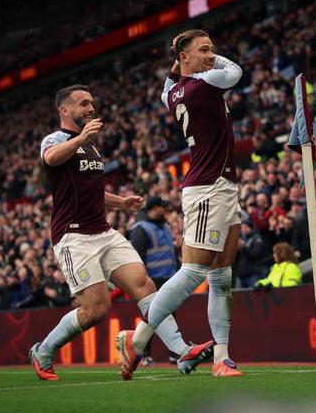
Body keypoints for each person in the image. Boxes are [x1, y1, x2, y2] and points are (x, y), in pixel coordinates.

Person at [30, 85, 212, 381]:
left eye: (92, 103)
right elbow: (50, 158)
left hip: (104, 232)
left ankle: (181, 351)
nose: (91, 108)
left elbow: (92, 192)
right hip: (73, 236)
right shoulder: (56, 139)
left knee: (144, 285)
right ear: (65, 110)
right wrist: (80, 138)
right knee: (96, 309)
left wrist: (121, 202)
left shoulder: (90, 145)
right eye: (83, 103)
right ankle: (44, 351)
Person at [117, 29, 244, 379]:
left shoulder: (175, 92)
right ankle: (137, 339)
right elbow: (235, 72)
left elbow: (166, 86)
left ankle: (222, 357)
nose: (211, 55)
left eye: (212, 49)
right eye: (204, 49)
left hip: (223, 185)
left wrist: (181, 62)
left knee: (222, 276)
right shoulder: (204, 85)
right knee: (194, 272)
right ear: (186, 57)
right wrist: (209, 61)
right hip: (208, 187)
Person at [129, 196, 179, 366]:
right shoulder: (140, 229)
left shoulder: (164, 226)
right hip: (152, 280)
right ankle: (144, 354)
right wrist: (144, 280)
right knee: (150, 317)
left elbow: (170, 252)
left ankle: (174, 353)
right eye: (162, 207)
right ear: (154, 208)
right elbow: (137, 258)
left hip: (169, 278)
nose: (164, 210)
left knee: (170, 316)